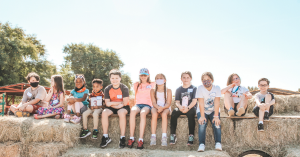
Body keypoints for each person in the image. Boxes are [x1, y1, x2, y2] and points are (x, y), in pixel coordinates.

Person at [100, 69, 130, 148]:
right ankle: (105, 137)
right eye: (112, 78)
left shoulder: (124, 88)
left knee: (121, 113)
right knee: (104, 112)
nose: (114, 80)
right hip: (113, 106)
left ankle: (122, 137)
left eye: (116, 78)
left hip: (124, 106)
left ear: (120, 78)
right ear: (110, 79)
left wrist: (117, 104)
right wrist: (117, 104)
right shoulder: (107, 89)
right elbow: (107, 103)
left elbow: (125, 102)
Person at [128, 68, 156, 149]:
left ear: (148, 76)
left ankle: (140, 139)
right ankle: (131, 137)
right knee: (132, 111)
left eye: (145, 75)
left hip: (147, 105)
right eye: (141, 75)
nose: (143, 77)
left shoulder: (152, 84)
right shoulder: (136, 85)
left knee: (143, 113)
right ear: (139, 76)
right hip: (138, 104)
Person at [170, 71, 197, 146]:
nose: (186, 79)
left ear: (191, 78)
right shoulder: (178, 89)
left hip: (190, 107)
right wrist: (180, 107)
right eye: (184, 77)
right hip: (181, 107)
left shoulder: (194, 88)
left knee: (191, 114)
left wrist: (188, 108)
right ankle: (173, 135)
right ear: (181, 79)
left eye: (188, 77)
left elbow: (194, 101)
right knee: (174, 113)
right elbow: (177, 102)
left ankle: (191, 136)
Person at [196, 72, 222, 152]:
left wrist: (216, 116)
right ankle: (201, 144)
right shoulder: (200, 88)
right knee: (202, 124)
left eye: (208, 79)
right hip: (202, 110)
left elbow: (217, 102)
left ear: (212, 80)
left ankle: (218, 143)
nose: (206, 81)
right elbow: (201, 102)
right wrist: (202, 116)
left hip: (213, 110)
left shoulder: (217, 88)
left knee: (216, 124)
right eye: (204, 80)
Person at [150, 73, 172, 146]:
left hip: (165, 107)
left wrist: (162, 108)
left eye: (161, 78)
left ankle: (164, 136)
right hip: (156, 106)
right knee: (154, 114)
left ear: (164, 80)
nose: (159, 80)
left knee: (164, 114)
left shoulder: (168, 90)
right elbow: (153, 102)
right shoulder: (152, 91)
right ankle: (153, 136)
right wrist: (158, 107)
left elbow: (168, 103)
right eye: (157, 78)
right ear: (155, 81)